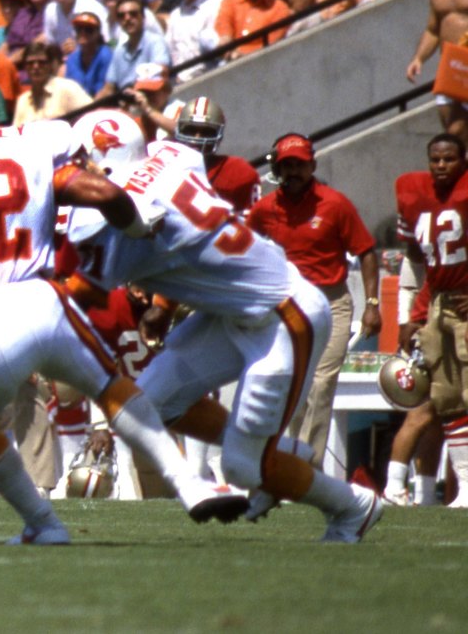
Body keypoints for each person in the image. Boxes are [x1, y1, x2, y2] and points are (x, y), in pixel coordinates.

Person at [0, 75, 247, 544]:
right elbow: (104, 194)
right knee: (109, 384)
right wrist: (138, 229)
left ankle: (42, 522)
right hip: (44, 302)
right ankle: (189, 483)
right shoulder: (28, 141)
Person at [64, 111, 382, 542]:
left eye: (81, 160)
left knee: (242, 467)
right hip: (234, 312)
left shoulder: (117, 226)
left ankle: (352, 506)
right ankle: (281, 454)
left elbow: (78, 294)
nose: (74, 170)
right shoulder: (172, 156)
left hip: (283, 317)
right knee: (148, 404)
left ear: (102, 161)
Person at [248, 133, 381, 465]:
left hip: (331, 302)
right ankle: (295, 456)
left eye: (300, 165)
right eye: (287, 165)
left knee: (322, 382)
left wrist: (373, 304)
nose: (293, 171)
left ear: (312, 166)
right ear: (277, 169)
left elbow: (365, 251)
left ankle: (308, 466)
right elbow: (245, 249)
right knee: (294, 384)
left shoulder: (334, 204)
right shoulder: (265, 209)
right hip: (288, 306)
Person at [394, 133, 468, 507]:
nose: (441, 166)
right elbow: (420, 261)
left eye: (449, 159)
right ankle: (465, 489)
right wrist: (411, 315)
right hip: (439, 303)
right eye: (435, 159)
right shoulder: (412, 192)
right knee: (447, 398)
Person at [406, 0, 468, 147]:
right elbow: (433, 29)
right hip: (450, 70)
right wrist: (419, 59)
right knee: (453, 137)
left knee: (457, 131)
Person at [173, 97, 261, 215]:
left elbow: (252, 224)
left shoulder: (239, 172)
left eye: (206, 131)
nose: (197, 139)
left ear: (219, 135)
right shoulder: (164, 168)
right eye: (191, 130)